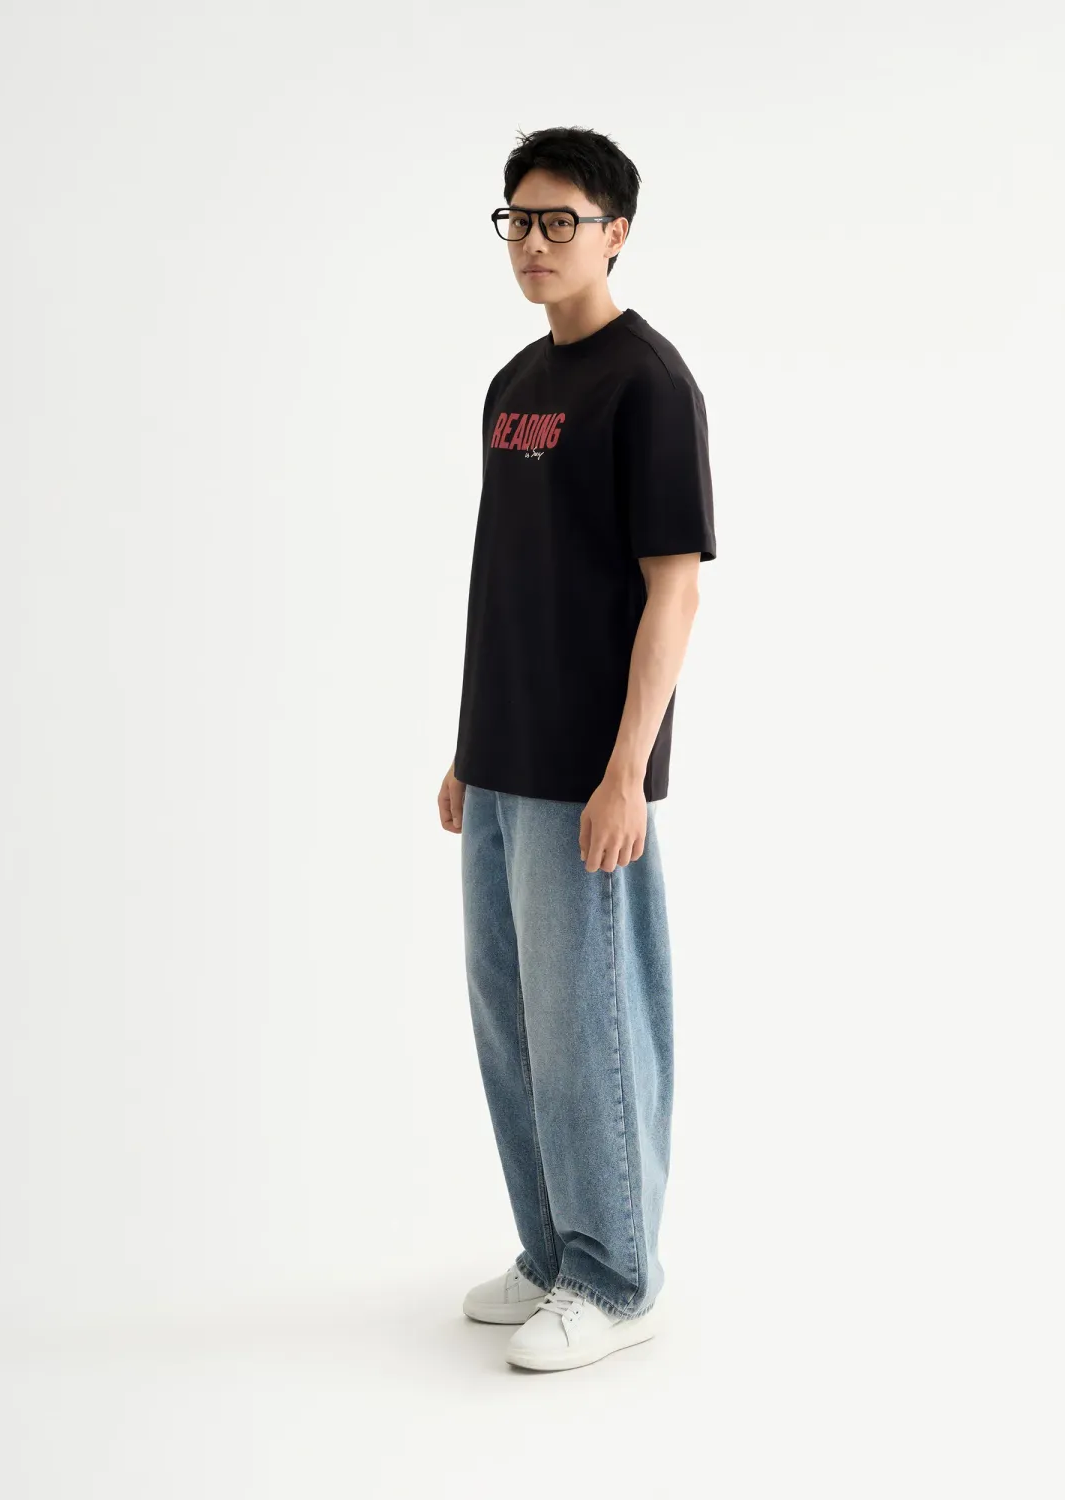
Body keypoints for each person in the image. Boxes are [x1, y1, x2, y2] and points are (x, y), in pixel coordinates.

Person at [437, 126, 717, 1373]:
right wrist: (466, 749)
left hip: (584, 771)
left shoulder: (648, 384)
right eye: (519, 220)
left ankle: (617, 1277)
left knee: (588, 1019)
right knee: (512, 1020)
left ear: (616, 233)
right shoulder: (513, 386)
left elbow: (674, 591)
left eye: (562, 221)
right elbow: (502, 581)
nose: (535, 243)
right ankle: (554, 1251)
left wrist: (625, 774)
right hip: (503, 760)